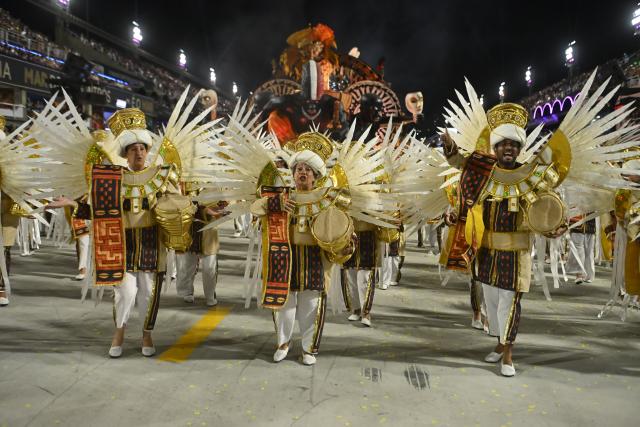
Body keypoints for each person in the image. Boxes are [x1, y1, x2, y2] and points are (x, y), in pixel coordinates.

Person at [442, 103, 567, 377]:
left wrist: (555, 226)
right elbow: (462, 163)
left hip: (515, 252)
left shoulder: (531, 176)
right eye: (502, 144)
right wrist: (450, 148)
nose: (508, 149)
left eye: (513, 144)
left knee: (509, 304)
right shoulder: (483, 173)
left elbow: (547, 209)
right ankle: (500, 344)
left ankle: (507, 355)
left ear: (520, 148)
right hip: (486, 250)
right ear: (495, 148)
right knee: (492, 302)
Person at [47, 108, 182, 358]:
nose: (139, 152)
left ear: (148, 150)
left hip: (152, 244)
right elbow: (98, 209)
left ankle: (146, 333)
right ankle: (119, 331)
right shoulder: (113, 179)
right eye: (133, 149)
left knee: (148, 293)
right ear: (125, 154)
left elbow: (177, 207)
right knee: (125, 291)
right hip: (122, 243)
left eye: (142, 148)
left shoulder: (163, 176)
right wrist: (72, 204)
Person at [250, 133, 354, 365]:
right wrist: (272, 204)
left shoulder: (329, 198)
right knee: (284, 303)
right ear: (293, 173)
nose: (302, 173)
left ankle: (308, 349)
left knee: (311, 304)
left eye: (307, 169)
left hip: (315, 258)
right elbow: (255, 207)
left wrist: (344, 245)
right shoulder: (282, 196)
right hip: (285, 256)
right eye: (298, 169)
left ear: (316, 175)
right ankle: (283, 343)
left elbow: (341, 227)